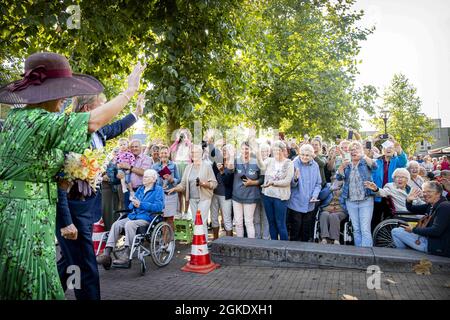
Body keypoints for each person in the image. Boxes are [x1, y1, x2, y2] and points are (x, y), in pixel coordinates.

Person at [0, 52, 144, 300]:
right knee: (29, 280)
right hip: (25, 216)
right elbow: (92, 123)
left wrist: (63, 178)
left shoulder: (18, 117)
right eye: (60, 90)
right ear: (47, 92)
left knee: (40, 276)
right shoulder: (38, 120)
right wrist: (128, 91)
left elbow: (39, 165)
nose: (64, 98)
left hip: (36, 213)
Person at [96, 169, 164, 268]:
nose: (144, 178)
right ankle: (107, 253)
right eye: (144, 176)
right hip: (133, 216)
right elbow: (131, 205)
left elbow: (159, 207)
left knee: (129, 224)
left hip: (146, 218)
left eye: (147, 177)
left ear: (153, 179)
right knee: (116, 224)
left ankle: (126, 254)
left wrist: (141, 204)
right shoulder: (141, 189)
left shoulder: (158, 190)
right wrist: (133, 203)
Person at [168, 145, 218, 238]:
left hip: (204, 198)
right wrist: (175, 188)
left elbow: (214, 184)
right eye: (192, 152)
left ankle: (204, 245)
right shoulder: (188, 167)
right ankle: (197, 244)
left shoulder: (207, 166)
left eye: (196, 152)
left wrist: (204, 184)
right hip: (192, 199)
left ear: (201, 154)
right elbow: (183, 184)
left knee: (201, 221)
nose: (194, 154)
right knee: (196, 221)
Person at [391, 181, 450, 257]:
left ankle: (404, 257)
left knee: (396, 231)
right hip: (429, 240)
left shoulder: (444, 207)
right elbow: (412, 209)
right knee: (399, 230)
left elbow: (436, 231)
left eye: (429, 191)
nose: (425, 194)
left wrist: (413, 230)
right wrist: (409, 200)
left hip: (437, 247)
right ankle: (405, 256)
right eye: (424, 192)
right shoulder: (431, 204)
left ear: (438, 193)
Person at [336, 141, 377, 247]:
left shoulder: (364, 161)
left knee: (365, 229)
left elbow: (375, 166)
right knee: (356, 229)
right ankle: (359, 254)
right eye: (351, 150)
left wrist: (363, 155)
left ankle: (367, 254)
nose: (354, 151)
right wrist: (341, 168)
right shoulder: (347, 164)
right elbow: (339, 178)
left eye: (356, 149)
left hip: (366, 199)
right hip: (350, 201)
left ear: (361, 150)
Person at [226, 141, 264, 239]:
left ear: (251, 150)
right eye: (242, 149)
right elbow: (229, 170)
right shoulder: (236, 160)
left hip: (251, 197)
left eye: (247, 149)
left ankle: (250, 245)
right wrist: (231, 156)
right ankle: (240, 244)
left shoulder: (256, 162)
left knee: (248, 222)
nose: (244, 151)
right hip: (237, 196)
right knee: (238, 222)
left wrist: (252, 182)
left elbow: (262, 179)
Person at [371, 136, 407, 231]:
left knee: (391, 218)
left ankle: (389, 238)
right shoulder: (376, 162)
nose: (388, 149)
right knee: (376, 218)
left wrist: (395, 143)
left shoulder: (397, 161)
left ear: (394, 150)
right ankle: (375, 239)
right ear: (382, 150)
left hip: (391, 195)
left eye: (391, 148)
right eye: (386, 147)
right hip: (378, 194)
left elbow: (403, 159)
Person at [287, 144, 322, 242]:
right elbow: (290, 184)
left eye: (307, 155)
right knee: (295, 229)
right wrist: (295, 178)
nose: (304, 157)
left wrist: (315, 196)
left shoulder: (315, 165)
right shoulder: (293, 163)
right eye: (302, 154)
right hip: (296, 202)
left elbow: (318, 184)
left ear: (312, 156)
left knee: (306, 231)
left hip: (310, 203)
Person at [260, 141, 294, 241]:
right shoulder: (269, 161)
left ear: (283, 150)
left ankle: (284, 247)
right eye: (274, 150)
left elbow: (287, 181)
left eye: (278, 150)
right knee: (271, 222)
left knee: (280, 223)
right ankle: (273, 246)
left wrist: (273, 183)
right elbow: (260, 166)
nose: (276, 152)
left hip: (280, 197)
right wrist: (257, 152)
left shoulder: (289, 163)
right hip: (267, 196)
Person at [117, 139, 153, 209]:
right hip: (127, 190)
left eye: (136, 146)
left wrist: (129, 167)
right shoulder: (127, 156)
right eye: (132, 147)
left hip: (140, 190)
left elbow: (144, 172)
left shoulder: (146, 159)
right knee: (128, 211)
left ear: (141, 148)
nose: (134, 148)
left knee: (138, 211)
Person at [152, 145, 180, 233]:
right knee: (162, 218)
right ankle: (163, 240)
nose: (163, 154)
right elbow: (152, 180)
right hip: (160, 195)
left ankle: (170, 240)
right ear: (159, 154)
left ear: (169, 154)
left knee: (170, 218)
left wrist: (171, 179)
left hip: (171, 194)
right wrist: (159, 186)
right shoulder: (154, 166)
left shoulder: (173, 165)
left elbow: (178, 179)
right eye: (162, 153)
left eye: (165, 153)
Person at [211, 144, 234, 239]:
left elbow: (228, 182)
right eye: (223, 151)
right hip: (214, 193)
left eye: (227, 151)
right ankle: (215, 241)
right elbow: (212, 152)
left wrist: (222, 171)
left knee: (227, 220)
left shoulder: (232, 165)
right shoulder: (217, 163)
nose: (224, 152)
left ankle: (229, 243)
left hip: (225, 195)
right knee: (214, 218)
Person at [318, 179, 347, 244]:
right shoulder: (328, 186)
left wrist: (341, 191)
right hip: (327, 209)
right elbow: (321, 196)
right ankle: (324, 238)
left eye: (339, 179)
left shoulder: (346, 186)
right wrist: (330, 189)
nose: (337, 180)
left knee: (333, 215)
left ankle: (335, 239)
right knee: (324, 214)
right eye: (335, 179)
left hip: (340, 210)